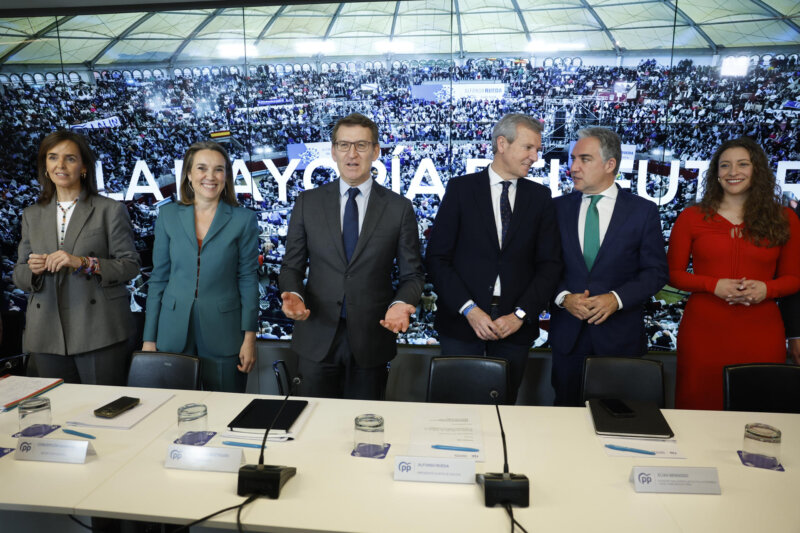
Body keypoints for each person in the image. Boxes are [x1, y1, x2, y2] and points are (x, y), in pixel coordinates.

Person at [279, 113, 424, 400]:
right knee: (312, 426)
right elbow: (291, 267)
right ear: (333, 152)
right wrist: (293, 293)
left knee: (364, 429)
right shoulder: (308, 203)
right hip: (316, 336)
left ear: (376, 151)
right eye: (344, 145)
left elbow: (412, 275)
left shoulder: (399, 208)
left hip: (372, 339)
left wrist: (401, 303)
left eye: (361, 145)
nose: (352, 154)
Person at [425, 114, 562, 404]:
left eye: (537, 149)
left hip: (515, 328)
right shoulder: (461, 189)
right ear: (502, 143)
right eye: (528, 148)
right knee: (457, 413)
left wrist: (521, 315)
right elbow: (438, 258)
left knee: (502, 408)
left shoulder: (540, 197)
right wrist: (470, 309)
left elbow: (549, 265)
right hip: (461, 324)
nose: (535, 157)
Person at [668, 137, 800, 410]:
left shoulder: (785, 218)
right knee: (699, 410)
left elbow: (794, 278)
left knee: (759, 413)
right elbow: (674, 274)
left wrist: (767, 289)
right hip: (703, 332)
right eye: (725, 165)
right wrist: (712, 285)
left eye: (742, 164)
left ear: (757, 170)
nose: (732, 172)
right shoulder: (691, 217)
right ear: (716, 173)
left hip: (761, 332)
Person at [549, 127, 668, 406]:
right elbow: (542, 267)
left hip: (620, 340)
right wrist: (563, 298)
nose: (573, 167)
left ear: (610, 164)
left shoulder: (643, 211)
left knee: (619, 425)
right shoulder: (556, 209)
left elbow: (655, 272)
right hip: (569, 339)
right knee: (566, 421)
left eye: (584, 159)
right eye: (572, 159)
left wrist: (616, 299)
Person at [13, 130, 140, 385]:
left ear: (83, 167)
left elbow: (130, 265)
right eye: (52, 157)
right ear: (45, 166)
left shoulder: (109, 210)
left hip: (98, 329)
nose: (60, 165)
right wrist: (33, 270)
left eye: (69, 158)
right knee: (56, 415)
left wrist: (83, 262)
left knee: (102, 415)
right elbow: (19, 274)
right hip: (46, 331)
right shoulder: (31, 215)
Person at [142, 141, 259, 392]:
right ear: (188, 173)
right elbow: (159, 278)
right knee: (174, 412)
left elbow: (248, 279)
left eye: (218, 169)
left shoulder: (244, 219)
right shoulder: (168, 216)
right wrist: (149, 339)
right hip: (172, 332)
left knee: (227, 412)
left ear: (226, 176)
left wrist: (250, 337)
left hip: (225, 333)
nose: (210, 176)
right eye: (202, 168)